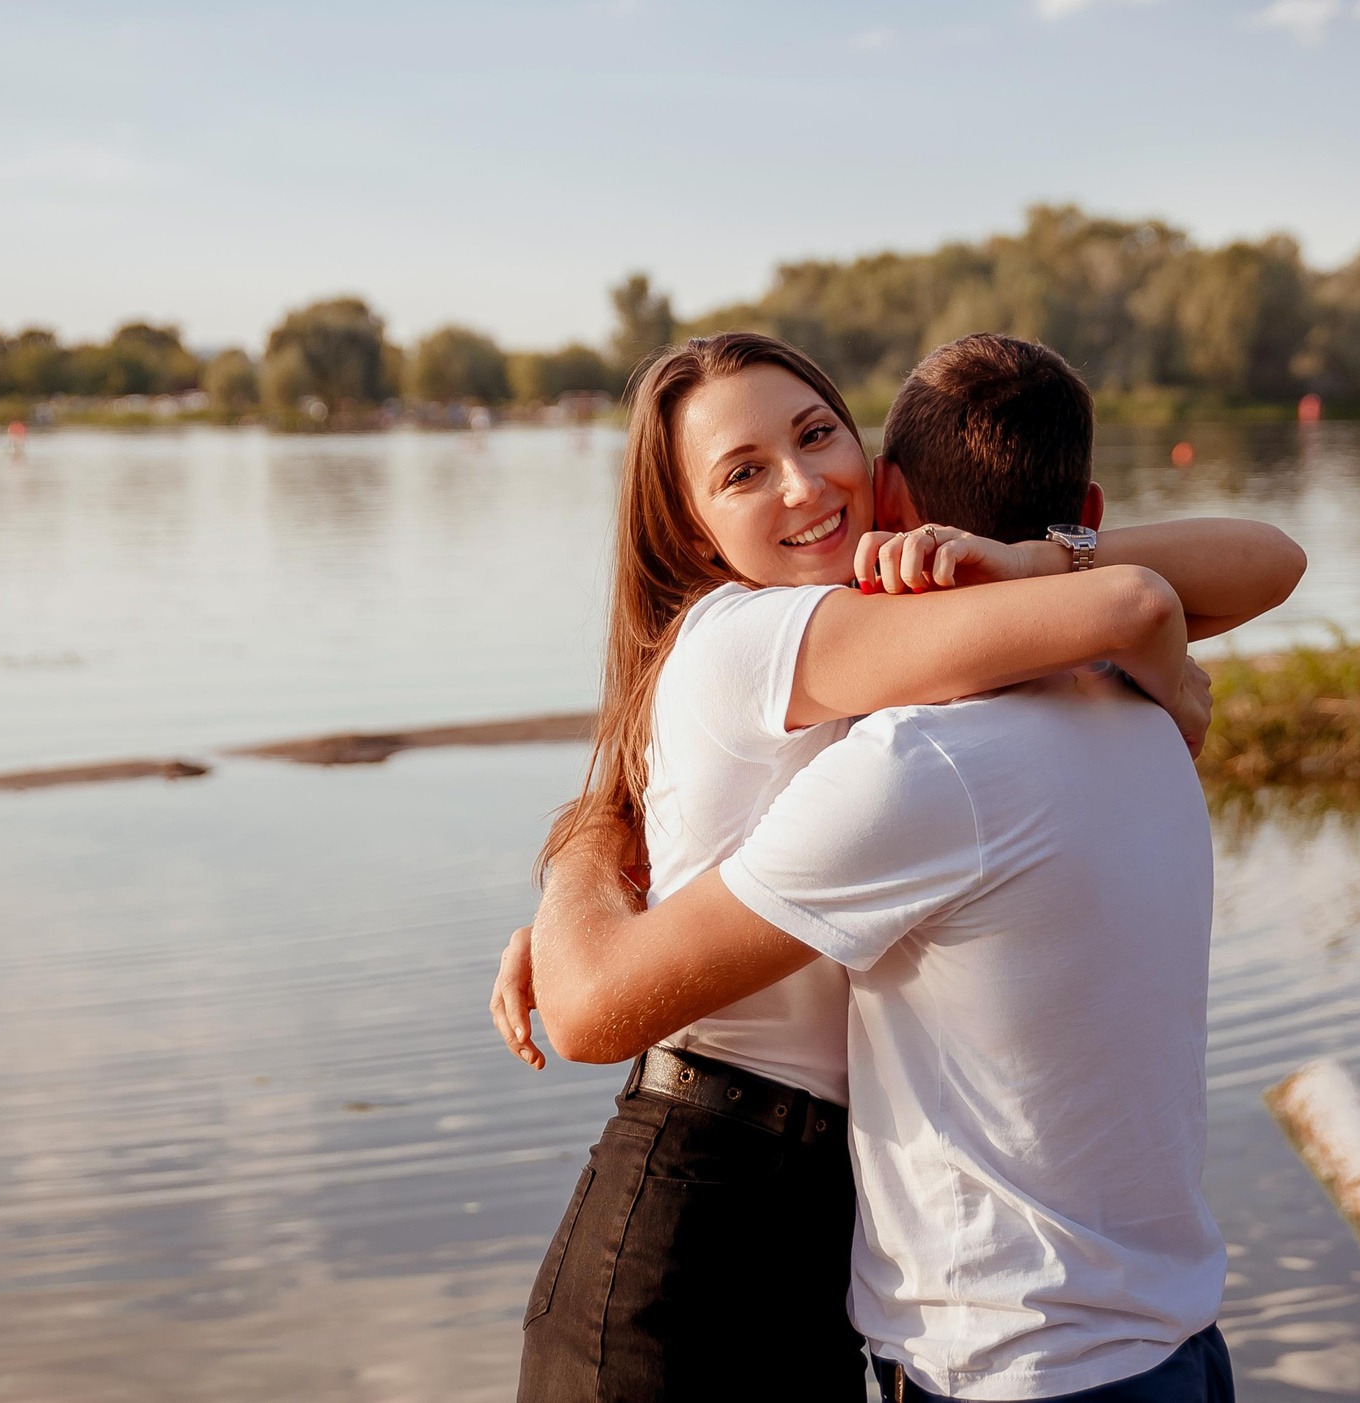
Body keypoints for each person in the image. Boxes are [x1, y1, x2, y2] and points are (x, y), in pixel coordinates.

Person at [502, 333, 1302, 1401]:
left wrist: (1044, 556)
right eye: (743, 472)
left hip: (816, 1225)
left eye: (815, 433)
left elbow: (1261, 558)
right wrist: (572, 886)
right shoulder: (759, 631)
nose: (802, 483)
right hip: (696, 1209)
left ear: (875, 466)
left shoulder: (896, 639)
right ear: (689, 527)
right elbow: (1140, 605)